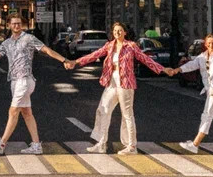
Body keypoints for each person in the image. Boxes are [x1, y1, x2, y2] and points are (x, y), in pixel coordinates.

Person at [0, 14, 69, 155]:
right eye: (14, 23)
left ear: (23, 25)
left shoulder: (29, 38)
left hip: (25, 80)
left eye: (19, 23)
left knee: (13, 111)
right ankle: (36, 145)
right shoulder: (7, 43)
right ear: (9, 25)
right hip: (14, 81)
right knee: (27, 113)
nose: (16, 26)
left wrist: (64, 60)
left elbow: (46, 50)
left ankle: (1, 144)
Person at [64, 20, 165, 154]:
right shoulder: (109, 45)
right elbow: (94, 55)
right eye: (115, 31)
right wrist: (75, 62)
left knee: (127, 115)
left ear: (125, 32)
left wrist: (162, 69)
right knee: (102, 109)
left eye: (120, 30)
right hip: (112, 81)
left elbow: (145, 59)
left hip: (126, 83)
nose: (117, 33)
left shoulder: (131, 46)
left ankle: (131, 146)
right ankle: (101, 143)